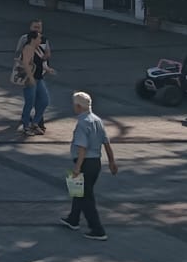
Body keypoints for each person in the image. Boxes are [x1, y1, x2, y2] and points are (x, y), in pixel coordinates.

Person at [61, 90, 117, 241]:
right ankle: (73, 219)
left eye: (74, 105)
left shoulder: (82, 123)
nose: (73, 107)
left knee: (87, 197)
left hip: (85, 163)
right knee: (79, 191)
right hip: (96, 163)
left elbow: (82, 148)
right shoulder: (97, 120)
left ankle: (98, 229)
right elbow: (106, 142)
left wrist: (77, 168)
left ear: (79, 107)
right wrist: (111, 161)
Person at [16, 20, 53, 136]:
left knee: (44, 101)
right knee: (30, 103)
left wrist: (47, 69)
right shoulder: (28, 48)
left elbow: (41, 61)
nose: (40, 40)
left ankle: (35, 122)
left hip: (39, 78)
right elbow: (26, 63)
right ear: (33, 39)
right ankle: (26, 125)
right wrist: (31, 78)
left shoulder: (37, 48)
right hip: (30, 79)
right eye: (38, 38)